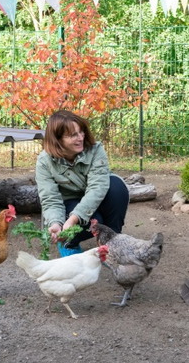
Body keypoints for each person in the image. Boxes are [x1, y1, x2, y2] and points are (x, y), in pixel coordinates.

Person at [35, 110, 129, 257]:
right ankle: (68, 242)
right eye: (73, 135)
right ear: (57, 140)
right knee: (96, 221)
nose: (80, 138)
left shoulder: (95, 149)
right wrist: (55, 223)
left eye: (81, 132)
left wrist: (74, 218)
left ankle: (111, 241)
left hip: (94, 197)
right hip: (69, 202)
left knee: (116, 187)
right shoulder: (44, 161)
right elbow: (50, 198)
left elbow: (97, 188)